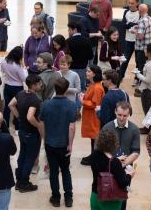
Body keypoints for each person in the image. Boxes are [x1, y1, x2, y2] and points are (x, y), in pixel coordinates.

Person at [39, 78, 77, 208]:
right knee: (66, 170)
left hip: (50, 143)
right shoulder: (71, 105)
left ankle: (55, 197)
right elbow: (72, 127)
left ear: (55, 89)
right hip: (64, 144)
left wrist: (45, 140)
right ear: (66, 90)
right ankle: (68, 198)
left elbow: (42, 124)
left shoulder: (46, 104)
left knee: (53, 172)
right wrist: (70, 144)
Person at [8, 74, 43, 193]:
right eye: (39, 83)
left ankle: (19, 180)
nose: (40, 85)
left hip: (22, 130)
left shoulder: (21, 93)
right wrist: (38, 125)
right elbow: (30, 116)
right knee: (30, 158)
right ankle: (24, 183)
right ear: (34, 85)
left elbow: (10, 105)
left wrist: (18, 116)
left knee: (22, 154)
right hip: (31, 133)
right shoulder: (35, 99)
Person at [102, 101, 140, 210]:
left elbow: (136, 151)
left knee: (123, 196)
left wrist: (122, 163)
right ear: (115, 112)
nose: (122, 118)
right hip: (109, 167)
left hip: (126, 169)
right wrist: (114, 162)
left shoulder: (134, 129)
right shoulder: (107, 127)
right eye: (119, 115)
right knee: (108, 194)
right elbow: (101, 149)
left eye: (125, 116)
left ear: (129, 115)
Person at [90, 129, 135, 210]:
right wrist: (130, 175)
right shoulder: (115, 163)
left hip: (95, 196)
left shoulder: (94, 155)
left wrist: (116, 159)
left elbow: (103, 163)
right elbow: (123, 183)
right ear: (114, 143)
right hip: (110, 200)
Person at [79, 65, 105, 166]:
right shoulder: (93, 85)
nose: (86, 73)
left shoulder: (97, 87)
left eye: (89, 71)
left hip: (94, 117)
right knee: (93, 138)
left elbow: (95, 104)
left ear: (94, 74)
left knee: (94, 137)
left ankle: (94, 157)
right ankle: (93, 155)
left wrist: (82, 101)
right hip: (90, 116)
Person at [1, 46, 27, 133]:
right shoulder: (18, 66)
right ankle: (17, 128)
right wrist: (24, 68)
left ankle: (5, 126)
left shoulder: (4, 61)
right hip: (17, 88)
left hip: (7, 86)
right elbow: (24, 79)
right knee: (17, 107)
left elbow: (3, 71)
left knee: (7, 107)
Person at [131, 3, 151, 90]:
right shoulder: (149, 18)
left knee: (140, 66)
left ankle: (141, 87)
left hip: (141, 48)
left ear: (139, 11)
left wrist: (134, 31)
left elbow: (140, 36)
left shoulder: (142, 21)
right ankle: (138, 81)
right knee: (143, 65)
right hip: (148, 48)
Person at [66, 22, 93, 92]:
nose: (68, 31)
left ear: (74, 30)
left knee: (71, 88)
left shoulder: (68, 41)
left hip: (71, 69)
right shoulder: (87, 41)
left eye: (69, 29)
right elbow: (90, 56)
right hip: (83, 70)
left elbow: (66, 56)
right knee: (81, 88)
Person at [119, 0, 140, 83]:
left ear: (137, 4)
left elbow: (138, 26)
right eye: (129, 3)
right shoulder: (126, 12)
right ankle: (120, 76)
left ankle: (137, 78)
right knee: (125, 60)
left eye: (132, 3)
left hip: (137, 40)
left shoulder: (139, 13)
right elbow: (124, 25)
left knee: (138, 61)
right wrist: (132, 24)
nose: (130, 5)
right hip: (128, 40)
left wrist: (129, 24)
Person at [135, 43, 151, 115]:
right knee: (147, 110)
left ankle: (148, 126)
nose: (144, 50)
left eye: (146, 49)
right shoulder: (150, 62)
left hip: (147, 90)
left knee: (147, 111)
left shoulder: (150, 65)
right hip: (147, 90)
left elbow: (148, 80)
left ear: (149, 53)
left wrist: (138, 74)